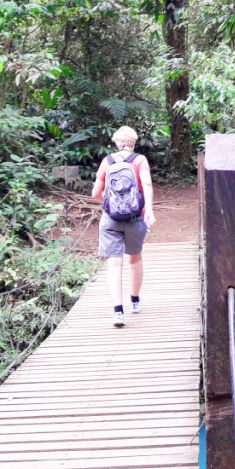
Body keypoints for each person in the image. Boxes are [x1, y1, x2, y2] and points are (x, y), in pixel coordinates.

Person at [91, 126, 156, 327]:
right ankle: (134, 300)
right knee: (134, 260)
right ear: (134, 142)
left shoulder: (107, 161)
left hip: (110, 219)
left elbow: (95, 192)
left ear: (117, 142)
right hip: (136, 217)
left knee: (114, 264)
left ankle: (118, 312)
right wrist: (150, 211)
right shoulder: (139, 160)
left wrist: (111, 204)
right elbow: (146, 185)